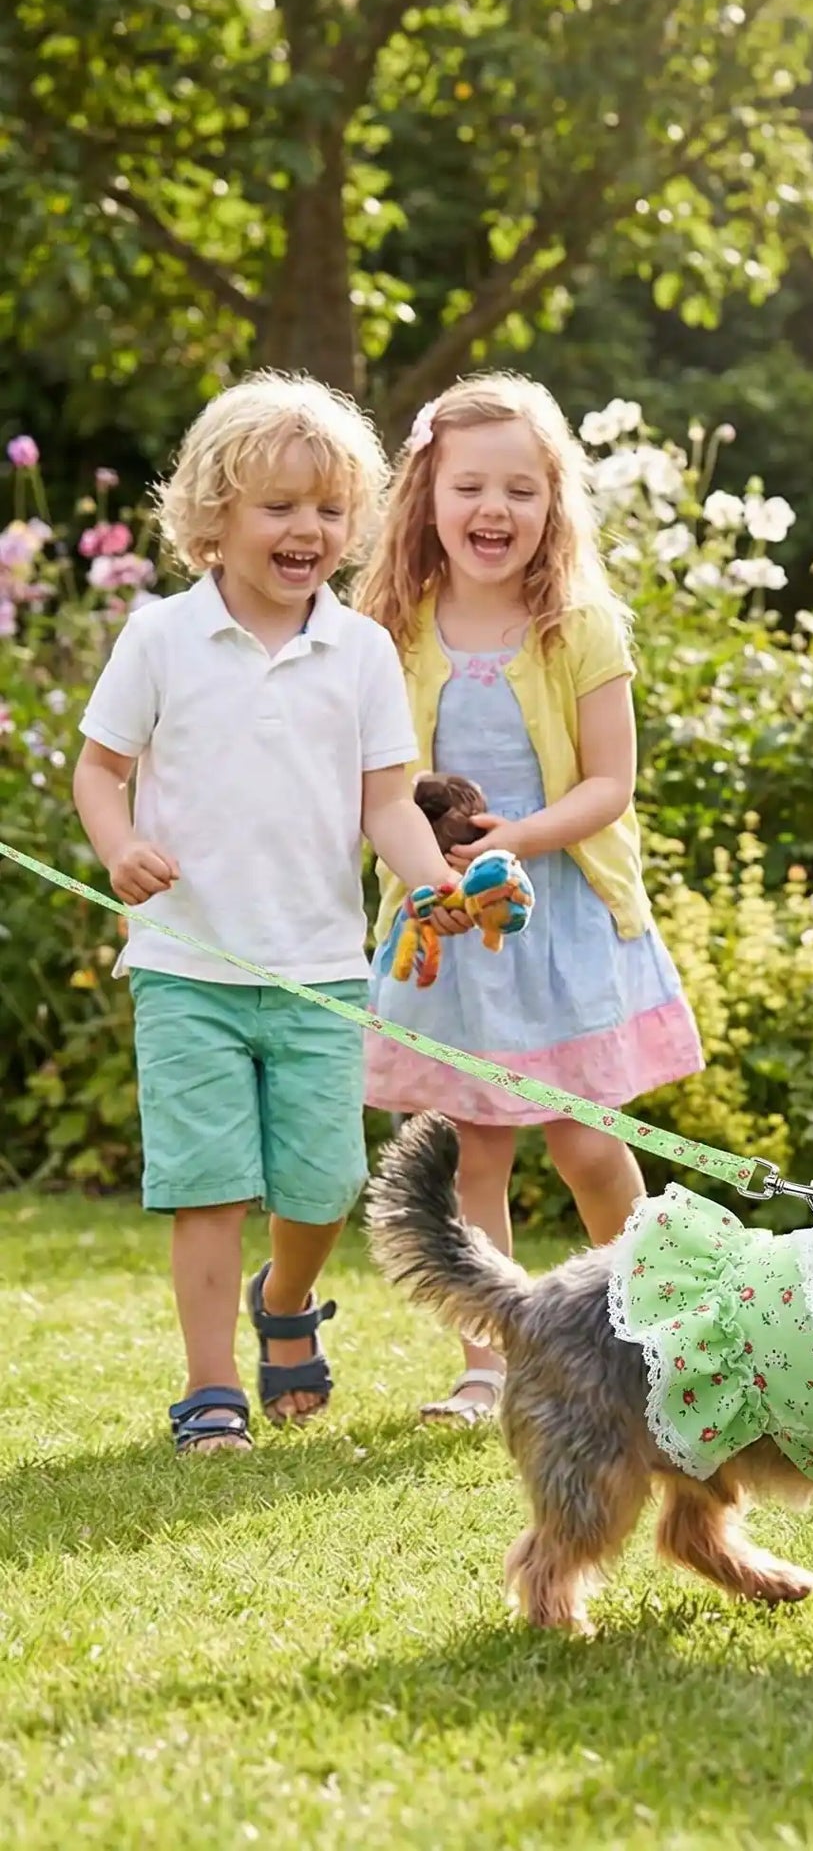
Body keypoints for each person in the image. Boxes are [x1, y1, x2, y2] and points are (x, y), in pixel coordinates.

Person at [73, 373, 465, 1454]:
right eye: (279, 507)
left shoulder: (363, 652)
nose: (308, 529)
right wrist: (120, 847)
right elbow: (98, 770)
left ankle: (284, 1299)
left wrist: (430, 877)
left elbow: (386, 801)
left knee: (328, 1176)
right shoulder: (160, 638)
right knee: (206, 1183)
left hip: (317, 969)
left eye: (330, 510)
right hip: (187, 966)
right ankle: (210, 1391)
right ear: (213, 518)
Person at [355, 372, 703, 1425]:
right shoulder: (393, 626)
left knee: (589, 1142)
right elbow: (378, 782)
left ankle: (647, 1320)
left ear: (554, 501)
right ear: (426, 495)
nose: (492, 510)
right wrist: (440, 869)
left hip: (561, 920)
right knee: (472, 1147)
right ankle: (490, 1360)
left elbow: (609, 782)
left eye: (519, 488)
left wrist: (519, 836)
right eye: (468, 486)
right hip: (448, 919)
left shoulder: (579, 624)